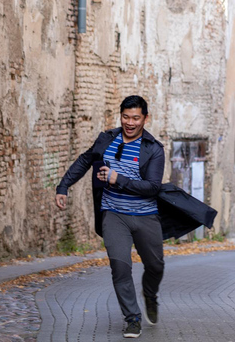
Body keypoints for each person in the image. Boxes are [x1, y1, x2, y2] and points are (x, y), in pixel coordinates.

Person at [55, 95, 164, 339]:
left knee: (155, 266)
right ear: (120, 116)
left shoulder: (153, 149)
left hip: (145, 216)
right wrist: (63, 186)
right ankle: (132, 318)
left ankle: (150, 294)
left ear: (145, 118)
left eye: (136, 118)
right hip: (114, 214)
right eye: (126, 117)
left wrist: (118, 179)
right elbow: (85, 160)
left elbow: (153, 187)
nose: (130, 122)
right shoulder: (107, 139)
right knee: (119, 266)